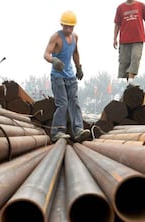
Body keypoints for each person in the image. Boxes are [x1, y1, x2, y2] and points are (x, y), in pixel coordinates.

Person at [43, 10, 91, 142]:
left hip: (70, 76)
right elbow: (46, 54)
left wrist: (79, 67)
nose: (68, 29)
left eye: (71, 27)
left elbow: (75, 52)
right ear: (62, 24)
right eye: (66, 26)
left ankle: (78, 130)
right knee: (62, 103)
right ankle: (57, 132)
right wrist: (54, 60)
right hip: (57, 76)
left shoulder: (75, 37)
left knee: (74, 102)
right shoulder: (56, 37)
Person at [113, 0, 145, 86]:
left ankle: (130, 82)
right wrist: (114, 38)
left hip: (138, 39)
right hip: (124, 40)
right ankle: (129, 84)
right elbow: (117, 24)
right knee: (125, 64)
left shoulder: (141, 6)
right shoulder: (120, 8)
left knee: (135, 57)